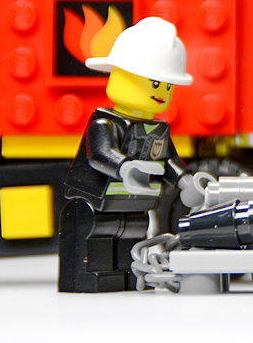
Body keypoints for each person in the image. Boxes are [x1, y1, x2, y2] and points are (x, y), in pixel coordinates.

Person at [58, 17, 203, 292]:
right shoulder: (105, 123)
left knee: (133, 233)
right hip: (95, 201)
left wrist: (185, 181)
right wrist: (125, 167)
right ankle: (92, 278)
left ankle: (129, 275)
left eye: (168, 86)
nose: (163, 93)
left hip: (134, 201)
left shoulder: (157, 129)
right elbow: (100, 154)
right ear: (121, 75)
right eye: (155, 83)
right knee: (97, 235)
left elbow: (168, 160)